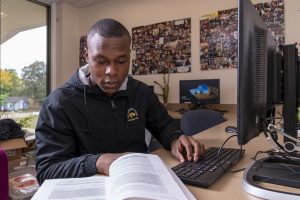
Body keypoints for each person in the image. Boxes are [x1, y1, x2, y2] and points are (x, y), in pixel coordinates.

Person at [35, 18, 205, 184]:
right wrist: (97, 163)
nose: (112, 71)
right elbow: (48, 170)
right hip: (90, 188)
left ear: (130, 56)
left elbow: (165, 126)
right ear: (87, 55)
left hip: (141, 182)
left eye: (121, 61)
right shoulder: (59, 103)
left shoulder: (141, 92)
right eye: (101, 61)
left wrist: (175, 139)